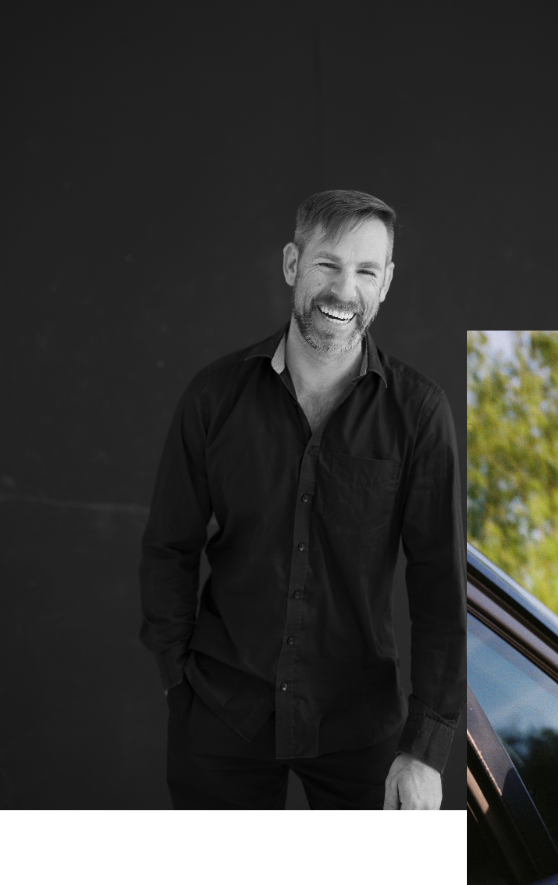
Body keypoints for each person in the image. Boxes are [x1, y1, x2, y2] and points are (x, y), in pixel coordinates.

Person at [139, 190, 464, 811]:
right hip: (221, 712)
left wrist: (425, 748)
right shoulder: (214, 397)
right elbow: (168, 547)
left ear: (387, 283)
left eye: (366, 271)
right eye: (328, 265)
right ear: (292, 264)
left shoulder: (419, 414)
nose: (345, 290)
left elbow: (440, 586)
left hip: (360, 727)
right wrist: (176, 682)